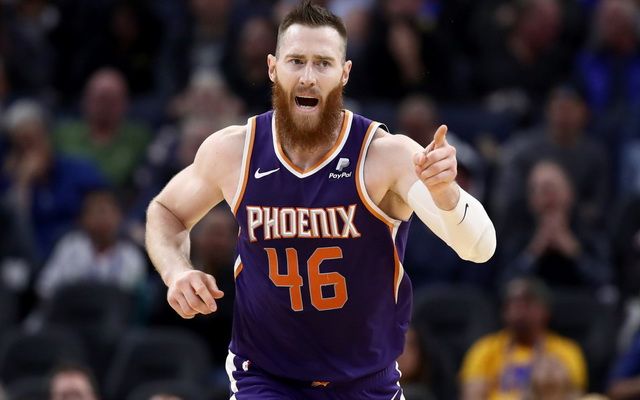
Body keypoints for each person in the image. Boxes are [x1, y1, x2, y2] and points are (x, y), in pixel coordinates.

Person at [145, 2, 496, 398]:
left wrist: (447, 193)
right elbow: (166, 211)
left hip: (366, 380)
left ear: (344, 73)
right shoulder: (234, 151)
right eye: (296, 61)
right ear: (273, 68)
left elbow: (480, 248)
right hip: (266, 378)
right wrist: (176, 271)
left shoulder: (385, 155)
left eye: (323, 63)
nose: (308, 77)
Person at [460, 278, 587, 400]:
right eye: (513, 302)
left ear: (545, 310)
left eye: (528, 302)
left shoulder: (566, 351)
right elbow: (471, 395)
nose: (519, 309)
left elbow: (574, 395)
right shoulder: (484, 349)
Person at [36, 189, 147, 299]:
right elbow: (44, 287)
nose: (103, 218)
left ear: (119, 217)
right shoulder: (71, 246)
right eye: (97, 212)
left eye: (108, 211)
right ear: (83, 219)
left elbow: (132, 299)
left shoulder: (131, 256)